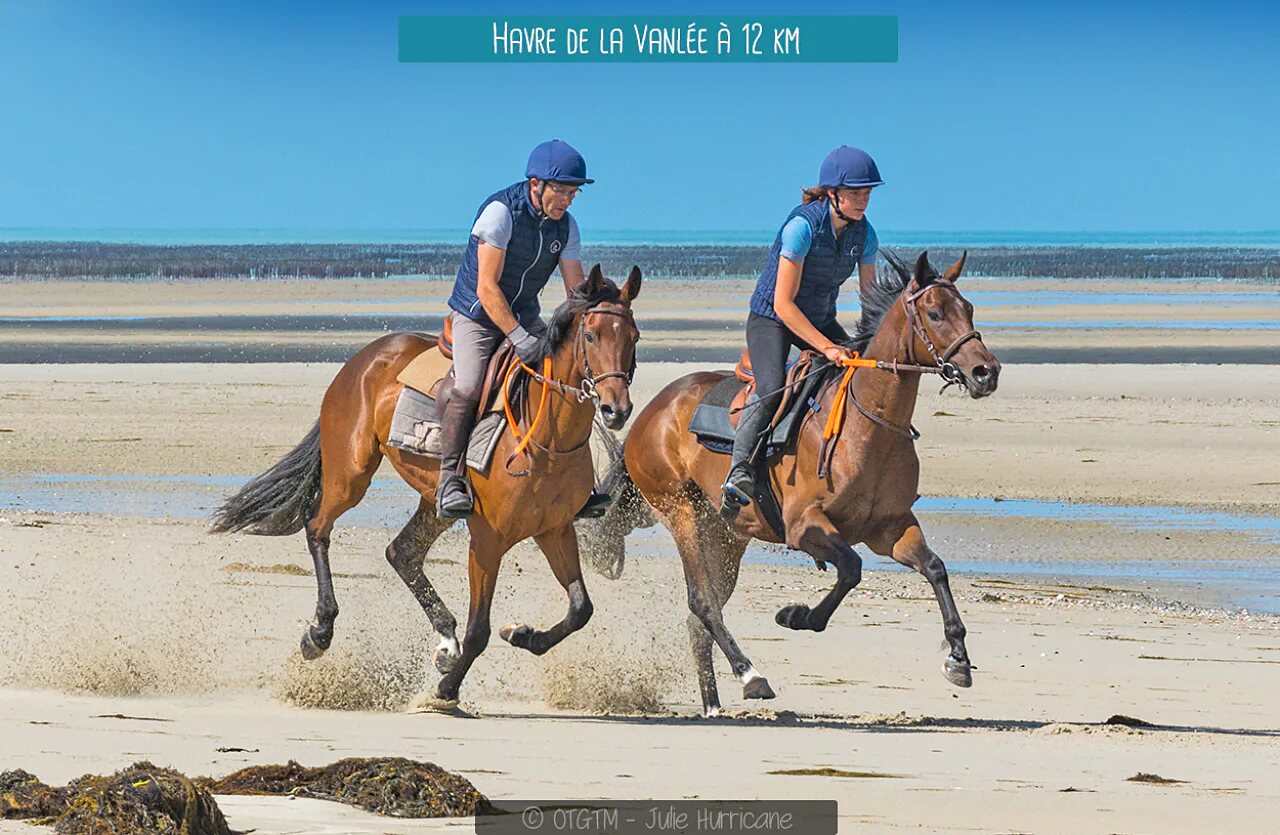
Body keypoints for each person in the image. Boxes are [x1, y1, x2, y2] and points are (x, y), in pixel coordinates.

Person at [721, 145, 883, 516]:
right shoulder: (802, 228)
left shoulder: (865, 234)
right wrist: (827, 349)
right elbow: (784, 305)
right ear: (832, 194)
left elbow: (871, 301)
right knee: (772, 385)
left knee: (858, 372)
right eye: (856, 193)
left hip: (819, 318)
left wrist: (870, 344)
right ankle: (738, 471)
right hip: (773, 320)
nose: (863, 200)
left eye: (868, 193)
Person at [437, 139, 591, 518]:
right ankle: (449, 481)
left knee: (573, 381)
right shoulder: (500, 213)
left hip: (524, 315)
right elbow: (486, 288)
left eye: (574, 193)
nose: (568, 200)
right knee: (470, 386)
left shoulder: (567, 227)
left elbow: (576, 292)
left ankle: (581, 482)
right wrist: (519, 337)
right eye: (563, 190)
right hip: (477, 316)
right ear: (536, 184)